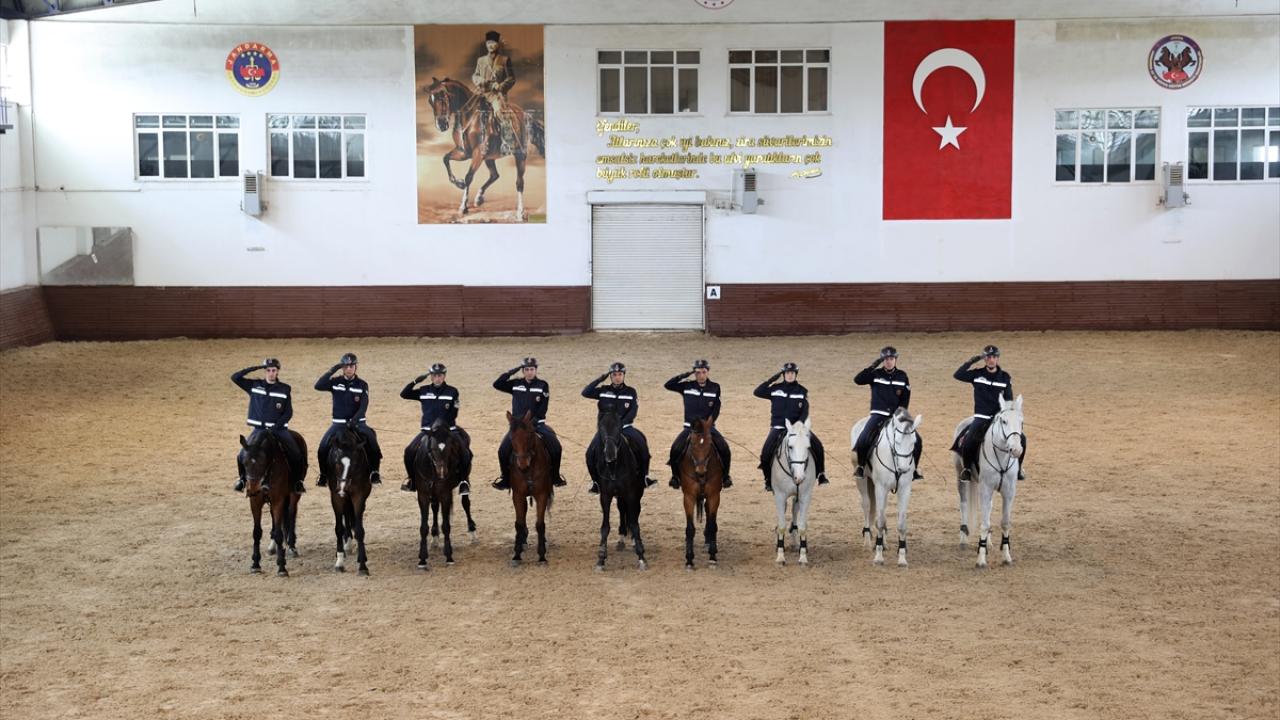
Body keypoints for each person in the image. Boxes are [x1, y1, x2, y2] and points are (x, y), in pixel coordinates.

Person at [231, 358, 306, 494]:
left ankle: (297, 482)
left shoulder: (285, 389)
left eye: (274, 370)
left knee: (296, 454)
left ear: (277, 372)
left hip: (278, 430)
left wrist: (276, 427)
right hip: (259, 430)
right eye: (268, 370)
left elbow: (288, 412)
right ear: (265, 371)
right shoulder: (254, 385)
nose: (271, 373)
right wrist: (255, 367)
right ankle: (242, 480)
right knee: (241, 455)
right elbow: (235, 377)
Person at [953, 345, 1026, 481]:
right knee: (969, 440)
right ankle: (967, 469)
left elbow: (1009, 400)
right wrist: (970, 362)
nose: (991, 360)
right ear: (984, 359)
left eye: (994, 357)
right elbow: (958, 375)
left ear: (997, 359)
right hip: (982, 416)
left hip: (999, 417)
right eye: (988, 357)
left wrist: (1008, 416)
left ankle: (1019, 469)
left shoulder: (1005, 377)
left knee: (1022, 439)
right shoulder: (977, 374)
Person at [492, 357, 565, 490]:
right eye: (526, 369)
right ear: (523, 371)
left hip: (537, 425)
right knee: (502, 450)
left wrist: (533, 421)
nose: (529, 372)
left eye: (532, 369)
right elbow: (497, 384)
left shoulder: (542, 385)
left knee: (556, 447)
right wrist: (511, 372)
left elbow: (543, 406)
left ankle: (555, 476)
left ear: (536, 370)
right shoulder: (516, 384)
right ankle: (505, 478)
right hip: (518, 427)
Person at [582, 362, 655, 494]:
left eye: (620, 374)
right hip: (606, 431)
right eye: (614, 375)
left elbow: (633, 411)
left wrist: (620, 425)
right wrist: (599, 379)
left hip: (625, 428)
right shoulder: (603, 390)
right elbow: (585, 392)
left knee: (642, 446)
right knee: (589, 454)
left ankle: (645, 477)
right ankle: (596, 483)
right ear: (610, 376)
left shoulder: (631, 392)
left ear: (623, 375)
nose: (617, 377)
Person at [399, 363, 473, 493]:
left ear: (444, 376)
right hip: (428, 431)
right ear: (431, 377)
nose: (437, 378)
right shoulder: (423, 391)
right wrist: (416, 381)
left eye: (440, 375)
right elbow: (404, 394)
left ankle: (463, 481)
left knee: (466, 453)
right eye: (434, 375)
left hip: (448, 431)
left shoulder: (452, 391)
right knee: (409, 451)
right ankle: (412, 480)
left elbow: (453, 413)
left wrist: (442, 426)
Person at [754, 362, 828, 492]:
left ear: (795, 375)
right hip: (778, 427)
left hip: (796, 429)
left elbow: (805, 411)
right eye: (787, 373)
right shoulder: (775, 389)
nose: (790, 375)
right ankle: (768, 480)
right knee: (765, 453)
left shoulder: (802, 391)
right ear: (783, 374)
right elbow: (758, 392)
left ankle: (821, 474)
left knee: (818, 446)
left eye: (792, 373)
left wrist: (798, 426)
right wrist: (773, 379)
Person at [853, 346, 924, 480]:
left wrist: (901, 415)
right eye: (885, 359)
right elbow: (858, 380)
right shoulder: (875, 374)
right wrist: (873, 366)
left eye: (891, 359)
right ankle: (861, 466)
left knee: (918, 440)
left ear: (895, 359)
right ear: (882, 360)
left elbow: (905, 398)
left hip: (897, 415)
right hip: (878, 414)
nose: (888, 362)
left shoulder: (903, 376)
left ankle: (914, 470)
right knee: (863, 439)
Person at [314, 353, 383, 487]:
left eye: (351, 366)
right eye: (346, 366)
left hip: (358, 424)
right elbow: (318, 385)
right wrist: (333, 369)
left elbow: (363, 406)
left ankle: (374, 472)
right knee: (322, 448)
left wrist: (354, 421)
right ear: (342, 368)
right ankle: (323, 475)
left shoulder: (362, 384)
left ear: (355, 367)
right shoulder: (335, 382)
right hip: (338, 424)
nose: (349, 368)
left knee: (374, 446)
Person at [664, 359, 732, 489]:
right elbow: (668, 385)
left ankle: (726, 477)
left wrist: (709, 424)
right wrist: (684, 375)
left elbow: (716, 409)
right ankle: (675, 477)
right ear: (694, 373)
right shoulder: (686, 386)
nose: (701, 375)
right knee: (675, 448)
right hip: (690, 428)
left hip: (708, 428)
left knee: (724, 448)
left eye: (703, 372)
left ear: (708, 372)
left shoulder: (715, 387)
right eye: (697, 372)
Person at [471, 29, 519, 154]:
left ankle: (508, 142)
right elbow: (475, 76)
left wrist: (501, 86)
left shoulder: (504, 60)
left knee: (500, 113)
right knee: (468, 110)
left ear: (498, 44)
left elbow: (512, 78)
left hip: (497, 95)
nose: (490, 45)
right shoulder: (480, 61)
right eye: (488, 43)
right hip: (482, 93)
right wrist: (480, 80)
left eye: (493, 43)